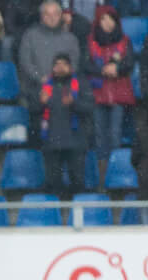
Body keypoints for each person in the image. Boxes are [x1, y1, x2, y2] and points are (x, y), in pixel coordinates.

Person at [39, 55, 92, 199]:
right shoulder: (44, 85)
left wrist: (74, 103)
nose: (60, 67)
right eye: (57, 64)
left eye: (64, 64)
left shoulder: (81, 84)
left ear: (70, 67)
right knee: (53, 184)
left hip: (75, 140)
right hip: (52, 141)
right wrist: (41, 102)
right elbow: (33, 108)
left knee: (78, 183)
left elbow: (89, 107)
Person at [85, 7, 134, 161]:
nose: (108, 23)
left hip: (118, 94)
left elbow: (129, 63)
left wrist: (117, 69)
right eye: (103, 19)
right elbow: (85, 64)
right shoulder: (90, 41)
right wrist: (103, 70)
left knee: (115, 133)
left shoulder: (124, 40)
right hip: (97, 94)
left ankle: (115, 167)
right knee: (99, 135)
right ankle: (102, 171)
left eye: (111, 19)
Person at [17, 1, 80, 100]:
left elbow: (74, 64)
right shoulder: (30, 36)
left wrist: (59, 79)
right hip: (36, 88)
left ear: (61, 16)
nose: (52, 18)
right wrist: (40, 78)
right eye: (47, 14)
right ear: (41, 16)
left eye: (55, 14)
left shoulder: (70, 39)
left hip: (63, 88)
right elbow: (25, 62)